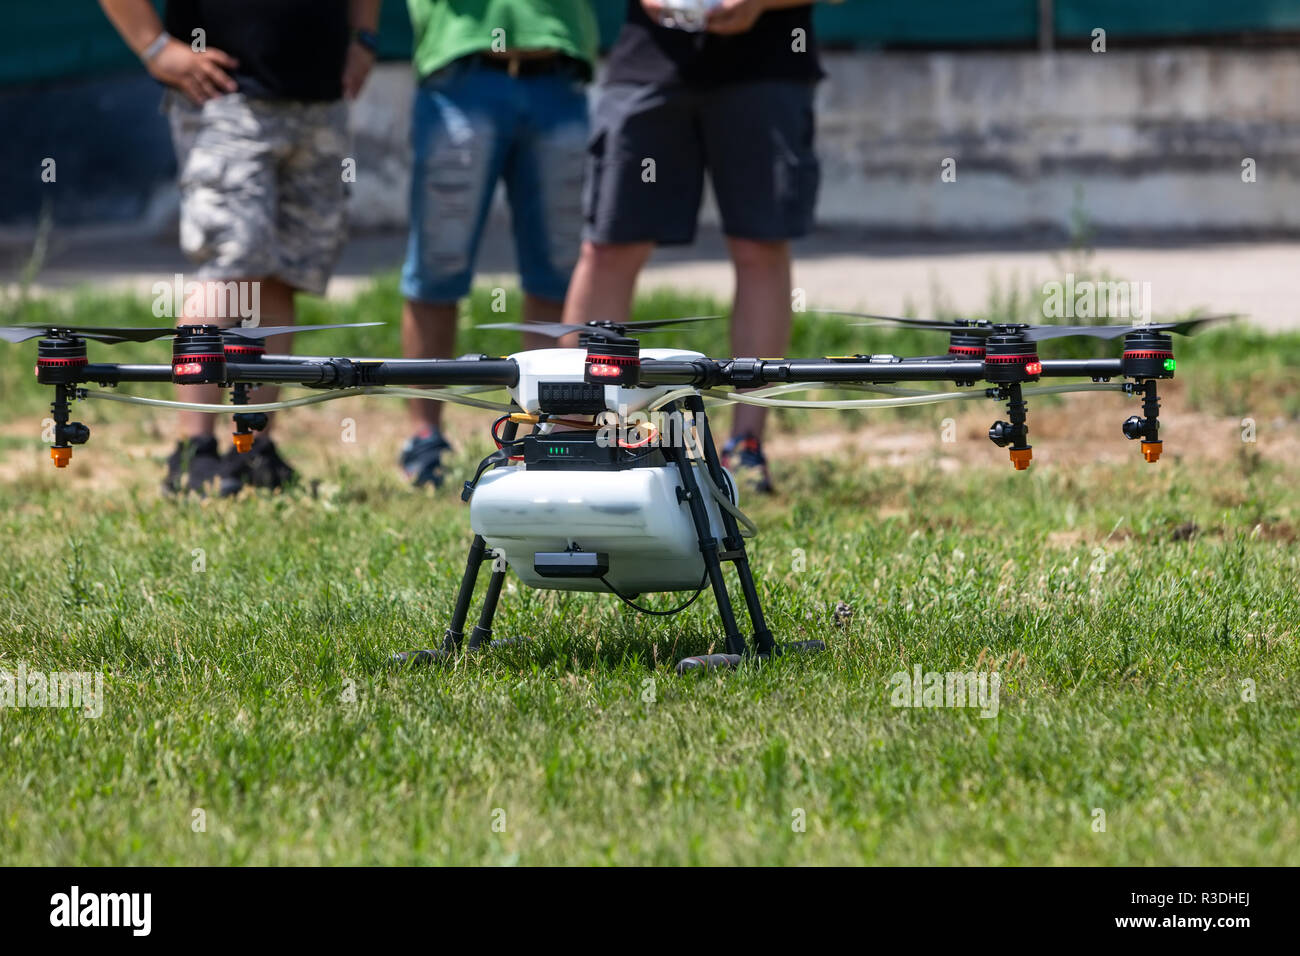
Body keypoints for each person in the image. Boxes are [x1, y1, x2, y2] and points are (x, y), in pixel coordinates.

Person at [98, 0, 381, 495]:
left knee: (283, 273)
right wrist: (155, 47)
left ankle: (251, 450)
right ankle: (194, 452)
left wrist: (364, 39)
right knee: (231, 268)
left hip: (319, 99)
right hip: (226, 98)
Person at [563, 0, 829, 492]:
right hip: (648, 58)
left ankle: (745, 447)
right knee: (608, 246)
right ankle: (572, 431)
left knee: (759, 246)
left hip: (768, 61)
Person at [397, 0, 598, 487]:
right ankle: (425, 438)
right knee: (437, 267)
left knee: (558, 271)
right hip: (462, 72)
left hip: (558, 69)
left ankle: (545, 430)